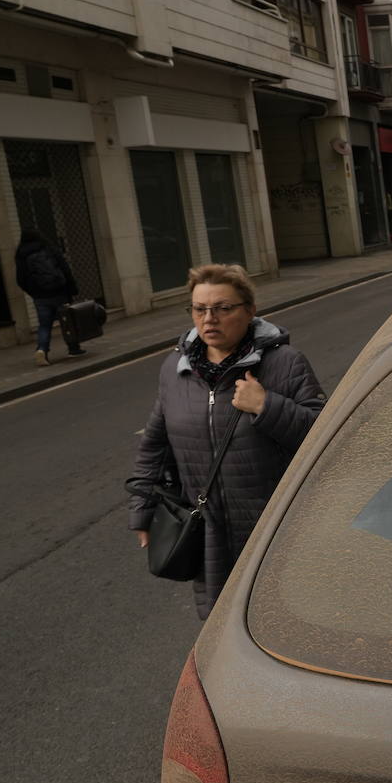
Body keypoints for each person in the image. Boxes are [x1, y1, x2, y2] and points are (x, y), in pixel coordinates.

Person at [126, 264, 325, 619]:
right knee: (221, 624)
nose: (209, 319)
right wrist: (142, 510)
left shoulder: (285, 363)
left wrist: (266, 406)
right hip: (208, 533)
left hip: (275, 528)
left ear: (249, 311)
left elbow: (324, 435)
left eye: (222, 308)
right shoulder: (175, 370)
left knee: (283, 621)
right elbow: (155, 445)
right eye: (199, 309)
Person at [14, 229, 84, 366]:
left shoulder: (21, 255)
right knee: (67, 322)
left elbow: (20, 280)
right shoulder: (49, 248)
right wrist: (72, 288)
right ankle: (74, 348)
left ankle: (42, 350)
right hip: (59, 293)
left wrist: (33, 292)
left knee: (44, 325)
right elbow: (65, 268)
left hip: (40, 297)